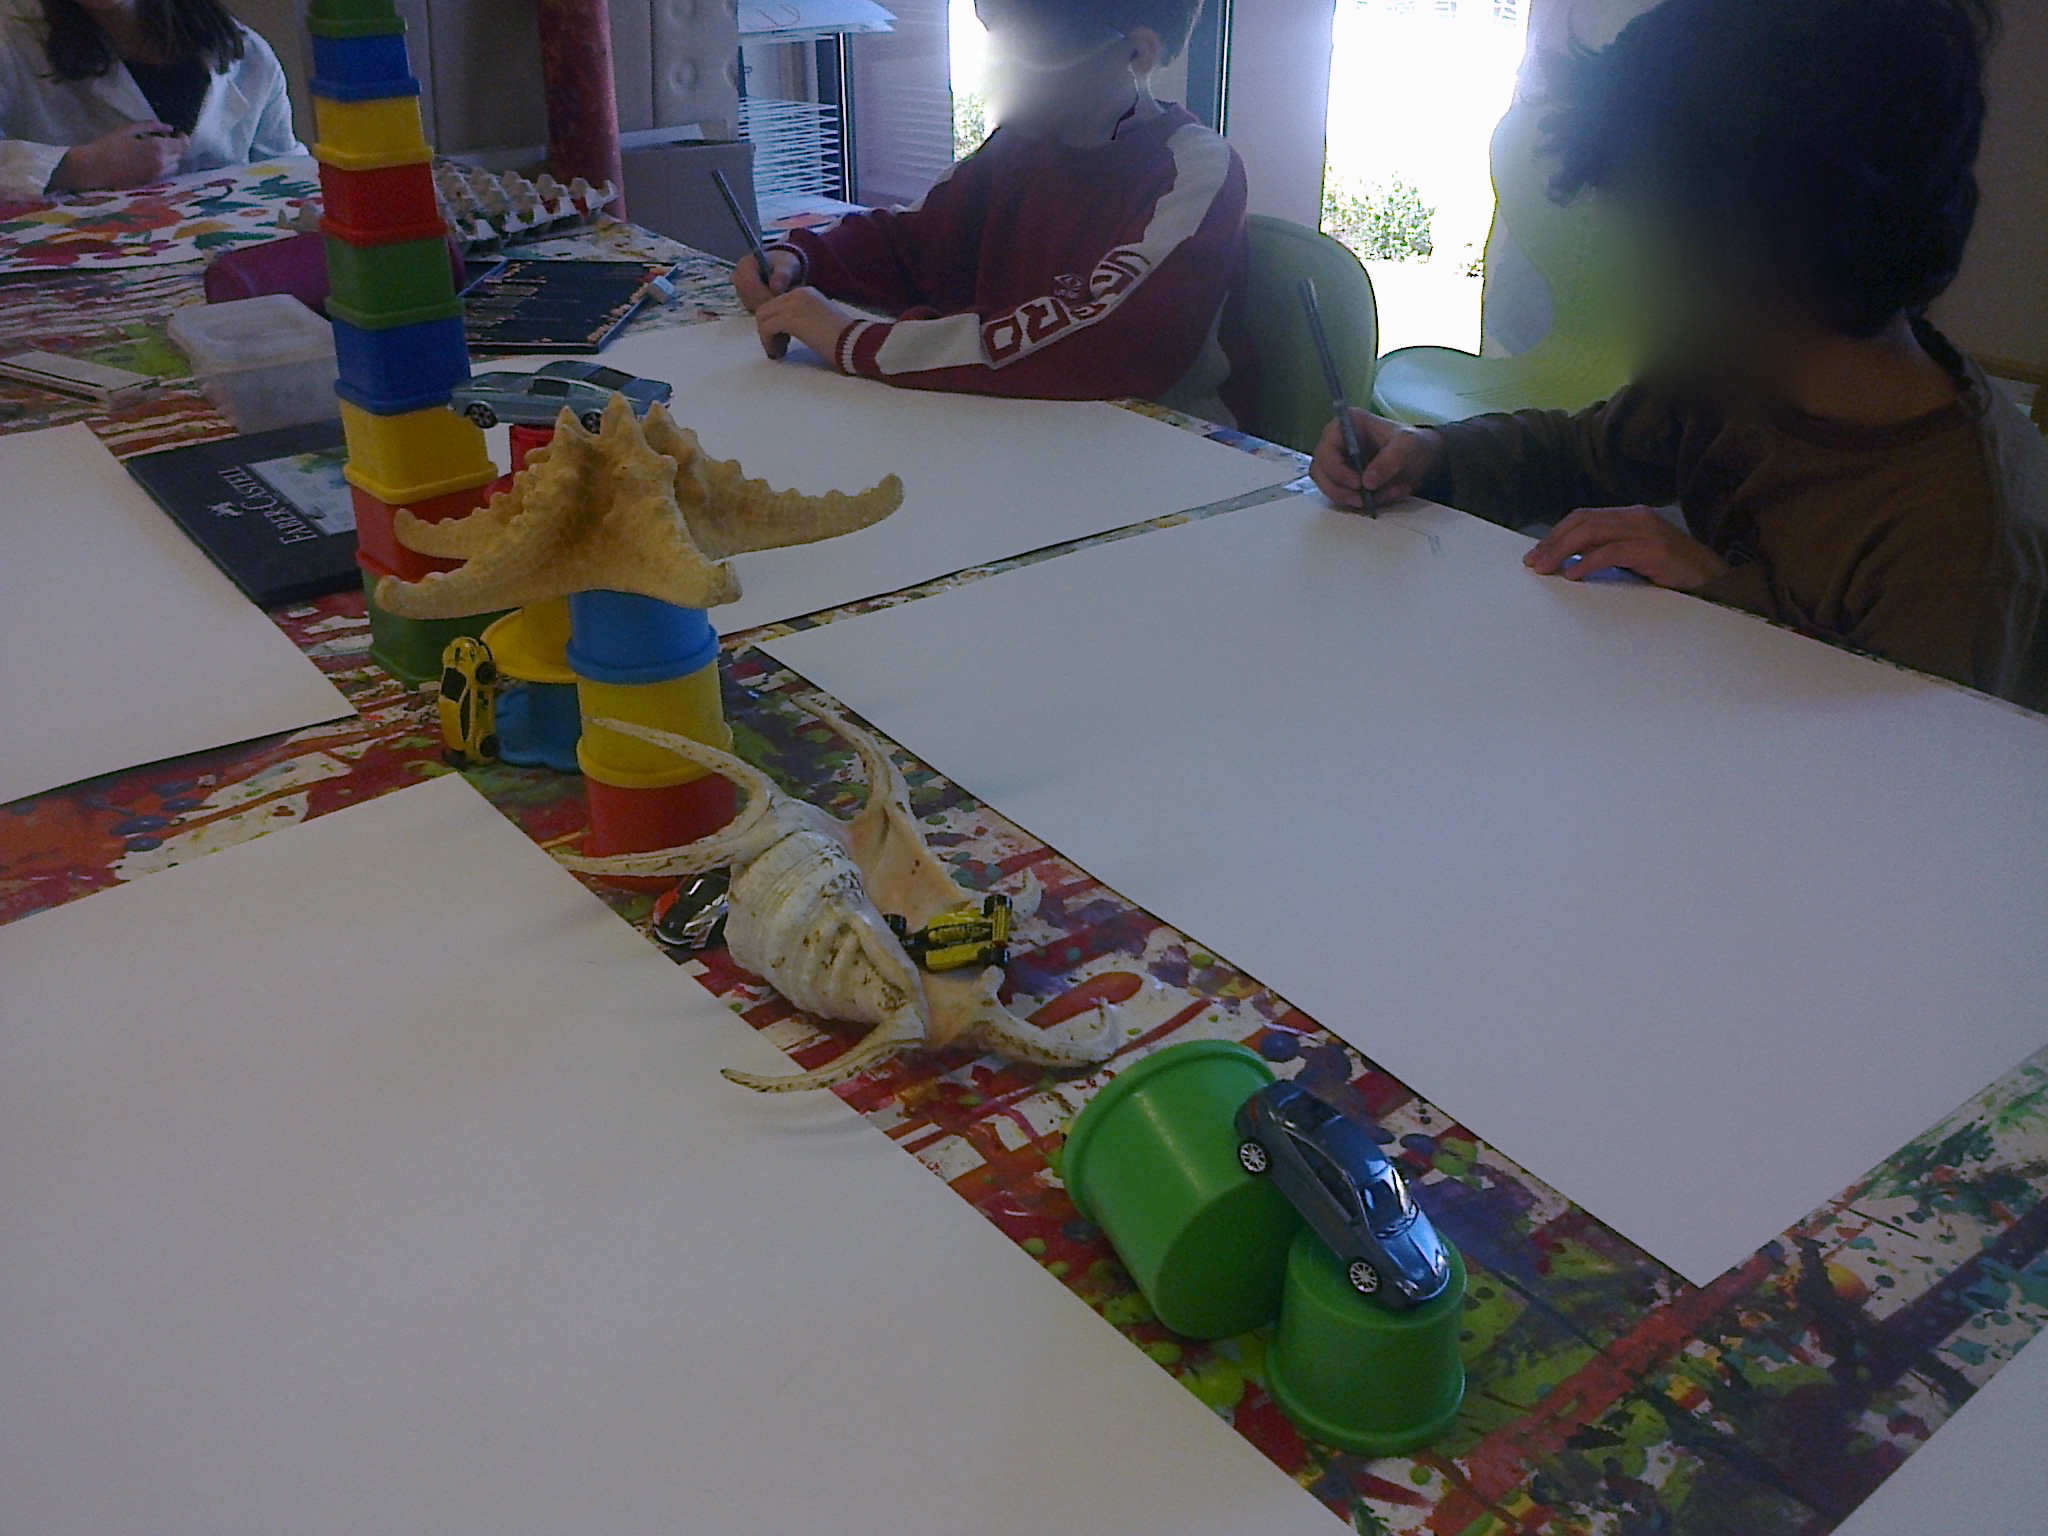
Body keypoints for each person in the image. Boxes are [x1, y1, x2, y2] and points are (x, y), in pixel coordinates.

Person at [1311, 0, 2048, 711]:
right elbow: (1583, 455)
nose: (1640, 263)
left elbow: (1904, 755)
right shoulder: (1739, 366)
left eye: (1655, 227)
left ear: (1755, 242)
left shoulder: (1963, 542)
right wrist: (1431, 456)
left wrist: (1719, 595)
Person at [733, 0, 1256, 427]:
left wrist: (853, 340)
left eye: (1030, 51)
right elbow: (910, 242)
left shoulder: (1193, 169)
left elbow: (1113, 339)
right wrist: (801, 259)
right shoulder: (1015, 147)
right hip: (1007, 426)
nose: (997, 72)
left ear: (1136, 53)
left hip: (1157, 453)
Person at [0, 0, 302, 202]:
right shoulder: (10, 37)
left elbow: (289, 181)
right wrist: (76, 167)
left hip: (225, 270)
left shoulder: (249, 56)